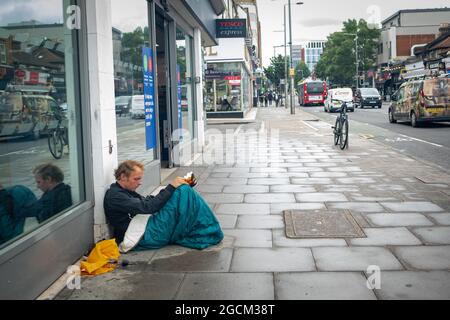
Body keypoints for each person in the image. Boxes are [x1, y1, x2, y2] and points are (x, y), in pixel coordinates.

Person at [103, 160, 223, 251]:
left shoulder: (123, 191)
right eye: (136, 179)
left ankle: (204, 227)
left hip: (145, 226)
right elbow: (148, 207)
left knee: (181, 191)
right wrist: (171, 187)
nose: (140, 183)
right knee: (183, 191)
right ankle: (208, 229)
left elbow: (147, 202)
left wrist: (170, 189)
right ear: (123, 177)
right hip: (144, 235)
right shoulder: (116, 196)